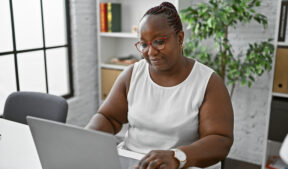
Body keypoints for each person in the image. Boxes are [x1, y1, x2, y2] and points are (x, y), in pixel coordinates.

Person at [86, 2, 234, 169]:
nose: (151, 51)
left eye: (159, 42)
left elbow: (220, 140)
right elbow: (108, 117)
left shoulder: (208, 82)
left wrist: (177, 156)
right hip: (132, 162)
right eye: (144, 44)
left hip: (180, 164)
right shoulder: (132, 75)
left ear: (180, 38)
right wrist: (87, 137)